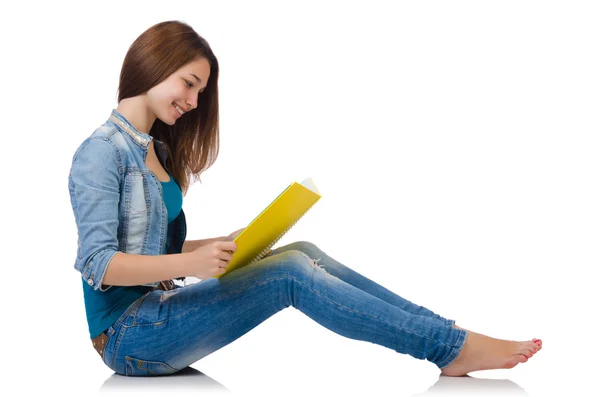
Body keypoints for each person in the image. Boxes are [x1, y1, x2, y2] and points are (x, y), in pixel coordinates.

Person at [68, 20, 542, 378]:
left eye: (201, 90)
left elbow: (156, 252)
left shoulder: (156, 151)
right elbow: (99, 263)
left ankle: (447, 334)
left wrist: (226, 243)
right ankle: (449, 348)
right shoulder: (100, 153)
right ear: (153, 65)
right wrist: (188, 267)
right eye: (189, 84)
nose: (194, 101)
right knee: (290, 275)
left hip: (161, 312)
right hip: (129, 335)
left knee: (302, 253)